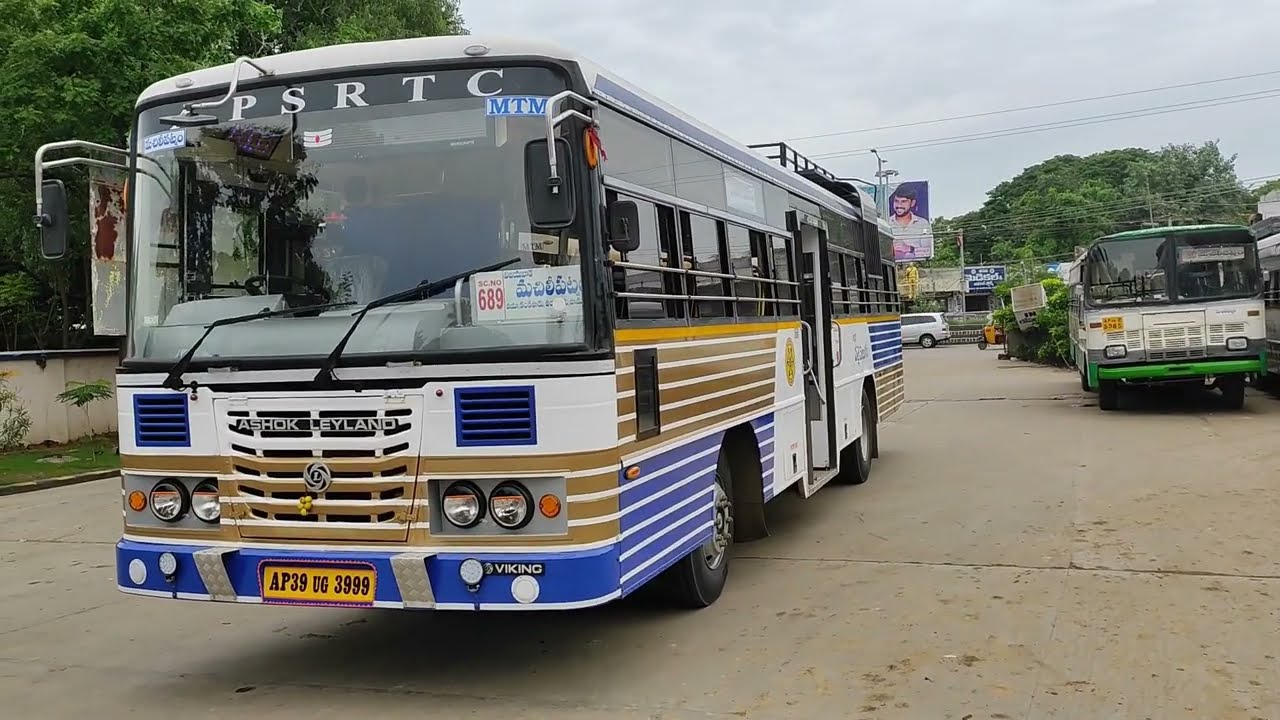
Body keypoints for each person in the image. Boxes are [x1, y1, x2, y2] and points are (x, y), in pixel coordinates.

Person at [887, 185, 933, 261]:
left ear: (912, 203)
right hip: (891, 267)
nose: (899, 205)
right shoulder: (885, 223)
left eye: (903, 201)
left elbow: (928, 252)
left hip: (916, 267)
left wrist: (909, 248)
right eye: (896, 201)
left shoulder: (923, 224)